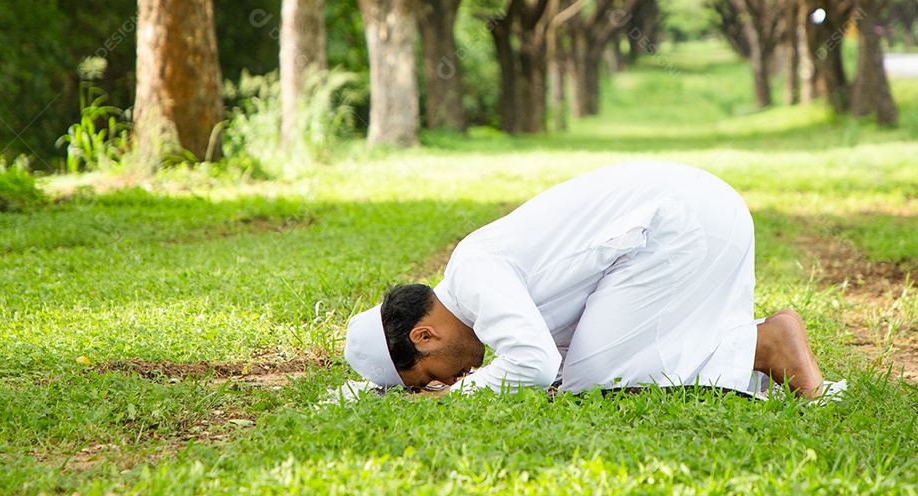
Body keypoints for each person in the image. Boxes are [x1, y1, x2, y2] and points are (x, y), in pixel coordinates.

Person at [344, 162, 829, 399]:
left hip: (683, 221)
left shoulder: (471, 274)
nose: (447, 380)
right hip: (701, 210)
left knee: (593, 381)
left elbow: (532, 365)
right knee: (575, 374)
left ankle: (767, 344)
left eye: (428, 375)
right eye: (436, 385)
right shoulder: (473, 275)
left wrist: (450, 400)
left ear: (424, 334)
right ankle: (760, 348)